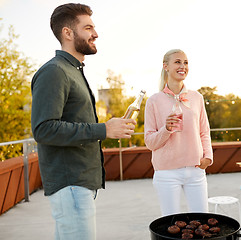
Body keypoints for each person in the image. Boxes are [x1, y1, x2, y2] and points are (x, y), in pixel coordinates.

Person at [31, 3, 135, 240]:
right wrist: (104, 129)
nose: (95, 34)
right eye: (88, 28)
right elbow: (44, 129)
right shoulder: (55, 71)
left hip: (78, 185)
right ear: (68, 33)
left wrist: (107, 128)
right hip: (70, 185)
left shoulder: (74, 70)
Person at [144, 49, 213, 216]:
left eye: (186, 62)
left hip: (196, 169)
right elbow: (149, 142)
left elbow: (204, 131)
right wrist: (166, 129)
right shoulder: (153, 101)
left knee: (201, 222)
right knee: (170, 225)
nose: (183, 66)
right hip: (167, 173)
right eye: (178, 62)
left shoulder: (197, 97)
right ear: (165, 66)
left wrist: (208, 157)